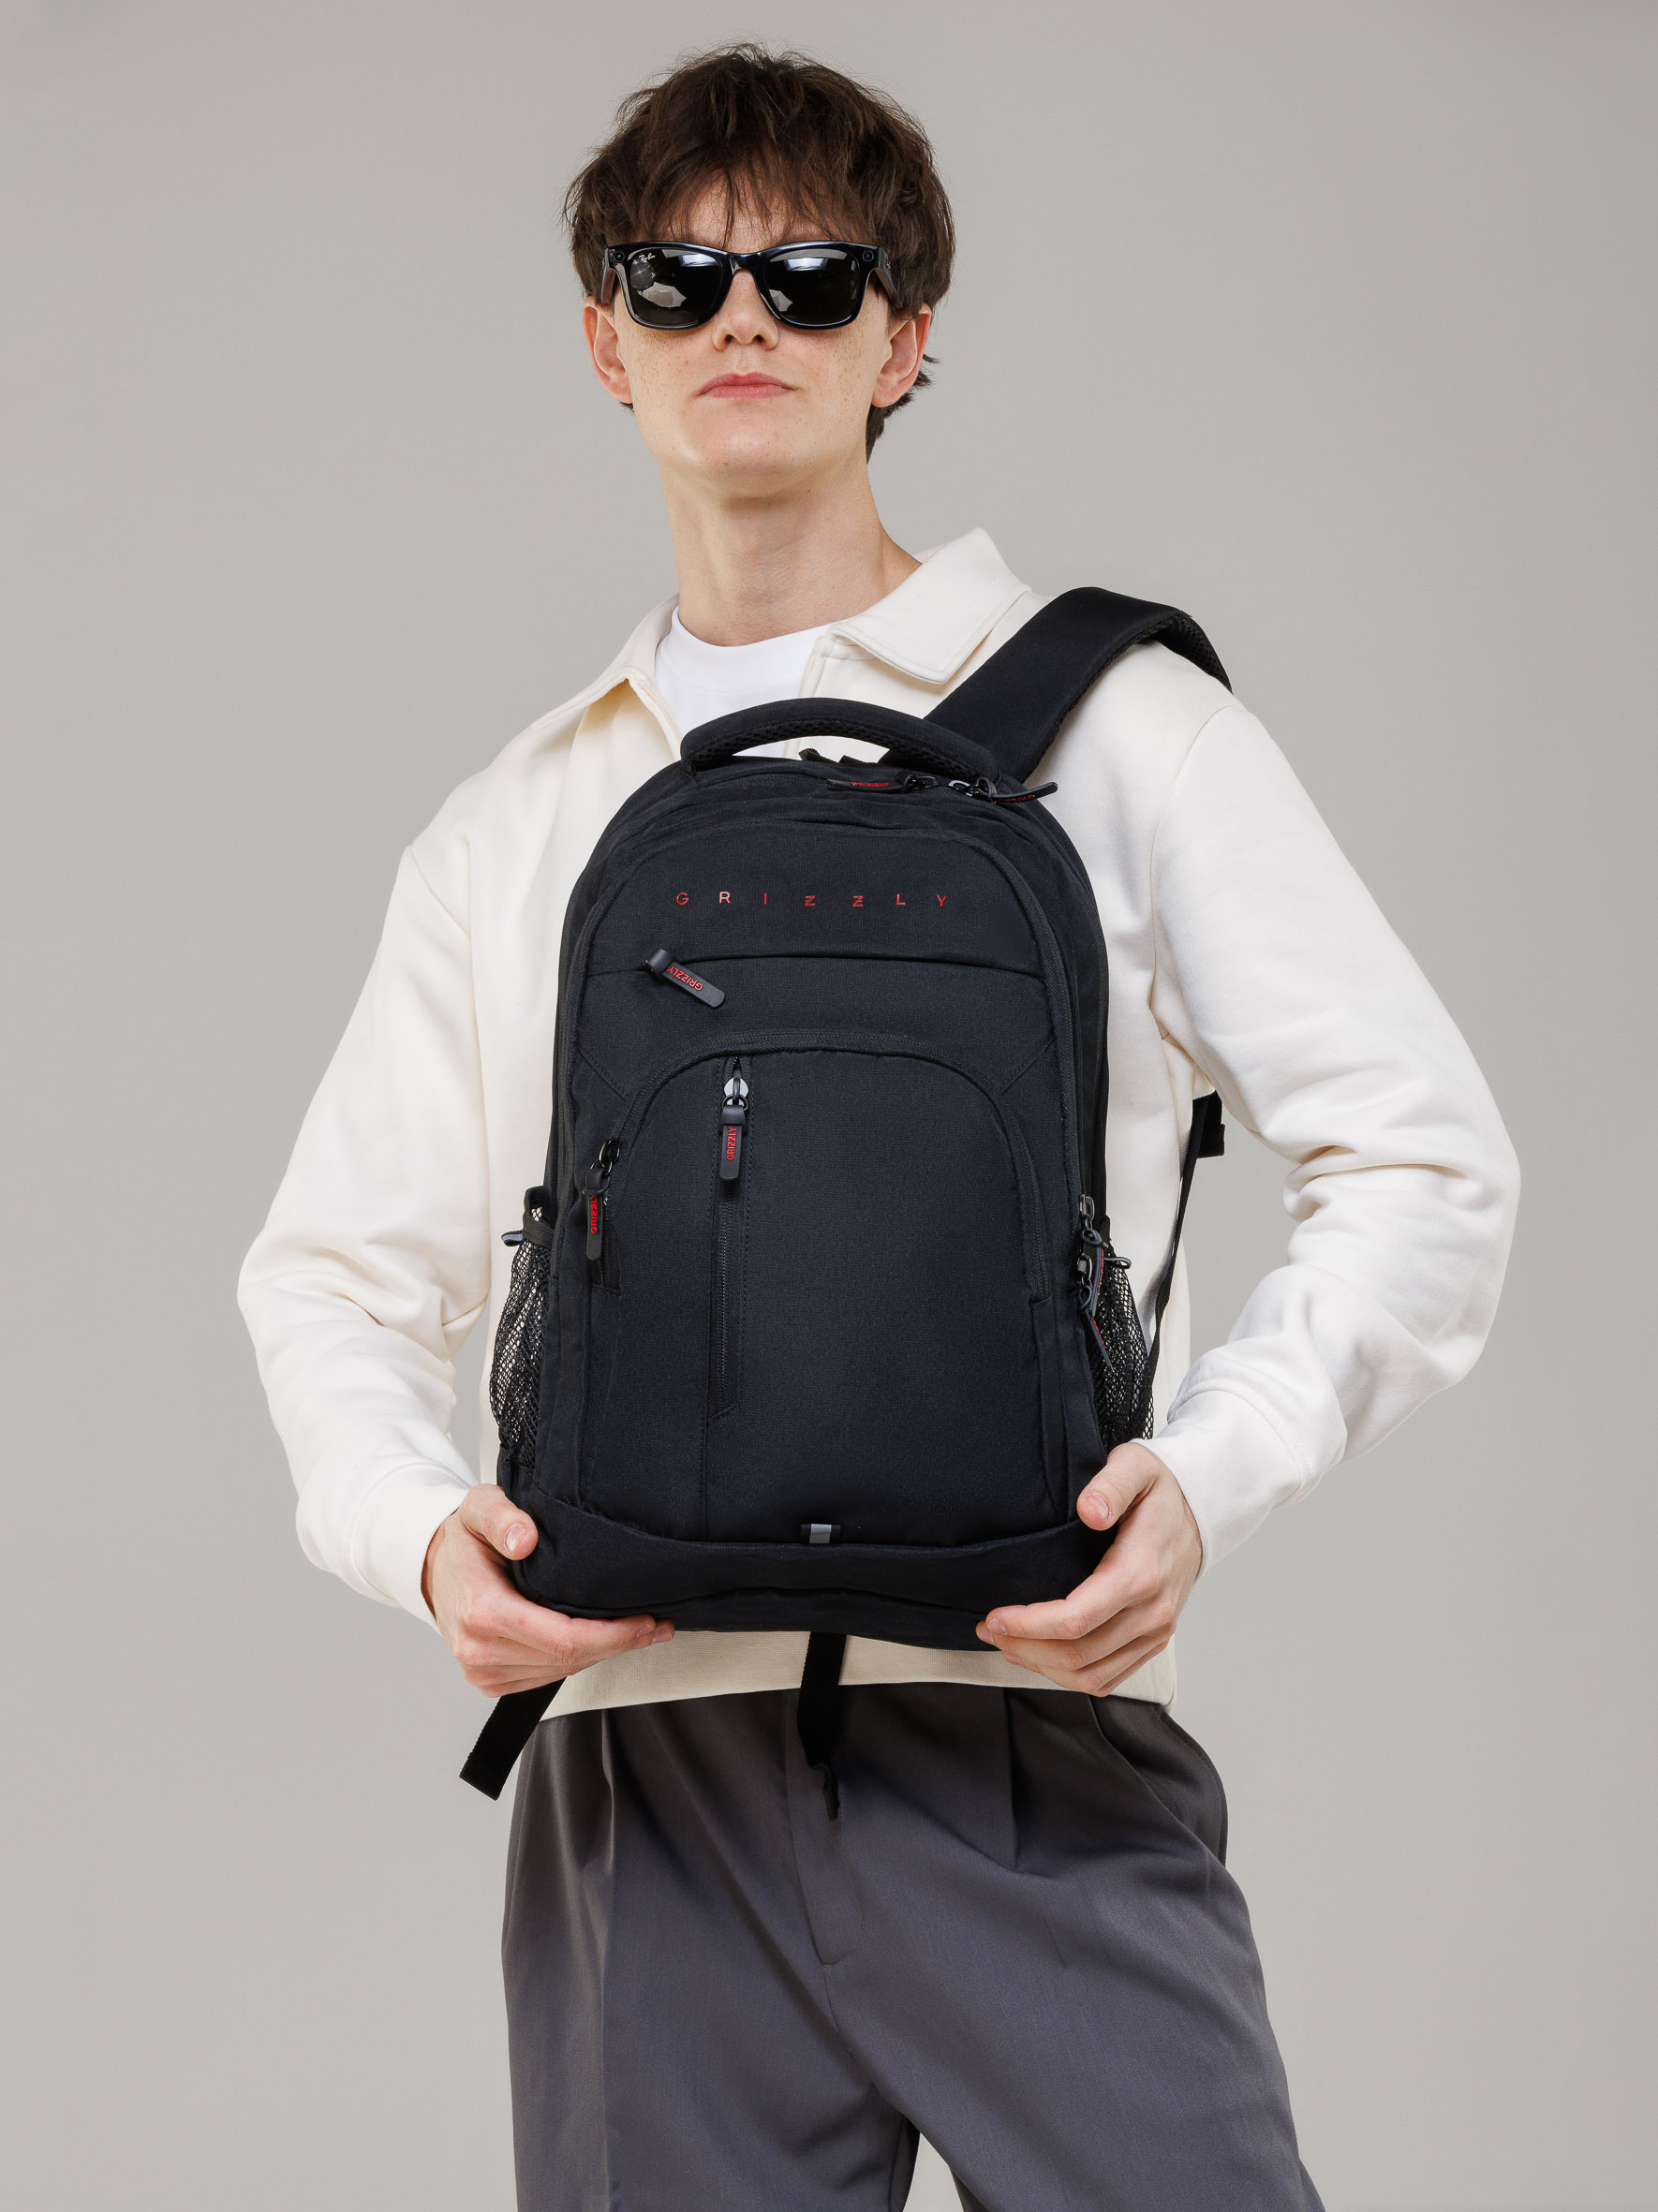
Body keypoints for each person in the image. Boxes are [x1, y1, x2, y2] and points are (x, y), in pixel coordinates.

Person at [240, 44, 1517, 2212]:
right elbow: (335, 1273)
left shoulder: (1126, 732)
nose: (743, 319)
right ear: (606, 341)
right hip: (640, 1775)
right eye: (679, 279)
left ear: (903, 338)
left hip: (1029, 1725)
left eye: (813, 278)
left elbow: (1426, 1158)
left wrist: (1212, 1474)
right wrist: (418, 1528)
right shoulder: (519, 820)